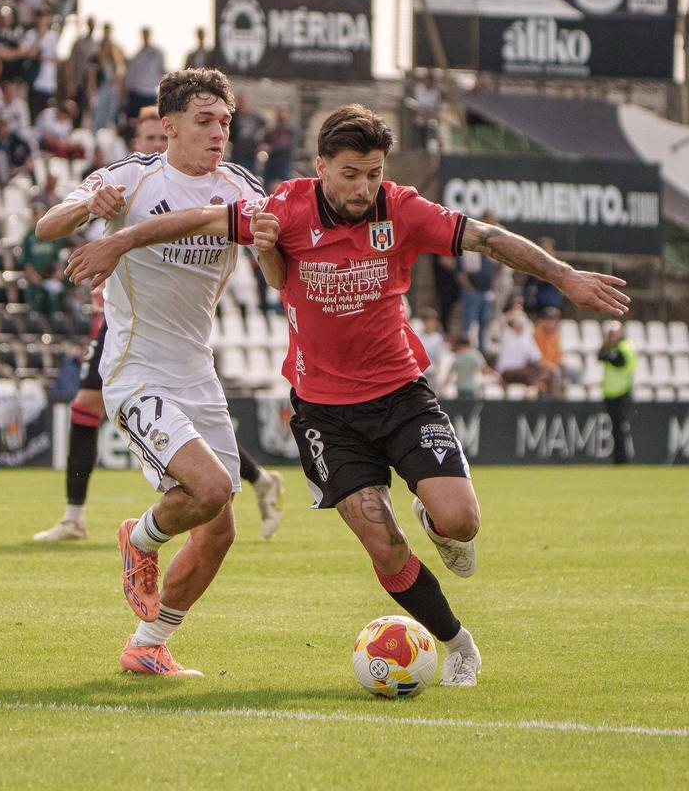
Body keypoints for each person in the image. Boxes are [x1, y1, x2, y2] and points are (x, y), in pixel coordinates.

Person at [67, 103, 630, 687]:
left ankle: (436, 527)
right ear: (321, 167)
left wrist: (565, 278)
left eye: (374, 174)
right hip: (325, 417)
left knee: (461, 522)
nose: (365, 188)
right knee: (383, 546)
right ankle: (458, 643)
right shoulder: (285, 206)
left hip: (403, 396)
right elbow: (194, 221)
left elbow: (486, 238)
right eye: (351, 175)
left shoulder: (403, 210)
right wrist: (120, 242)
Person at [33, 69, 279, 677]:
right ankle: (139, 538)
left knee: (219, 531)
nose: (219, 132)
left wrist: (271, 241)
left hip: (199, 373)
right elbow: (48, 225)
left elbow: (275, 273)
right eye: (204, 120)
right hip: (136, 369)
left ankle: (148, 643)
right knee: (212, 489)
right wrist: (91, 206)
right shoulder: (131, 176)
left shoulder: (241, 186)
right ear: (167, 126)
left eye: (225, 121)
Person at [457, 211, 499, 352]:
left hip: (486, 291)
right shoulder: (468, 241)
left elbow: (495, 267)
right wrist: (468, 288)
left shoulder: (491, 241)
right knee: (469, 323)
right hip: (472, 291)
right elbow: (460, 270)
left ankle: (482, 353)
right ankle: (465, 351)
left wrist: (492, 287)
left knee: (484, 324)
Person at [599, 320, 636, 465]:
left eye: (613, 334)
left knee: (620, 428)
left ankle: (622, 460)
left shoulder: (624, 348)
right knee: (616, 428)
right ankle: (619, 458)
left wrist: (608, 346)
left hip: (621, 392)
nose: (611, 336)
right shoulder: (616, 347)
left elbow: (616, 361)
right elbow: (600, 355)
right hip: (611, 392)